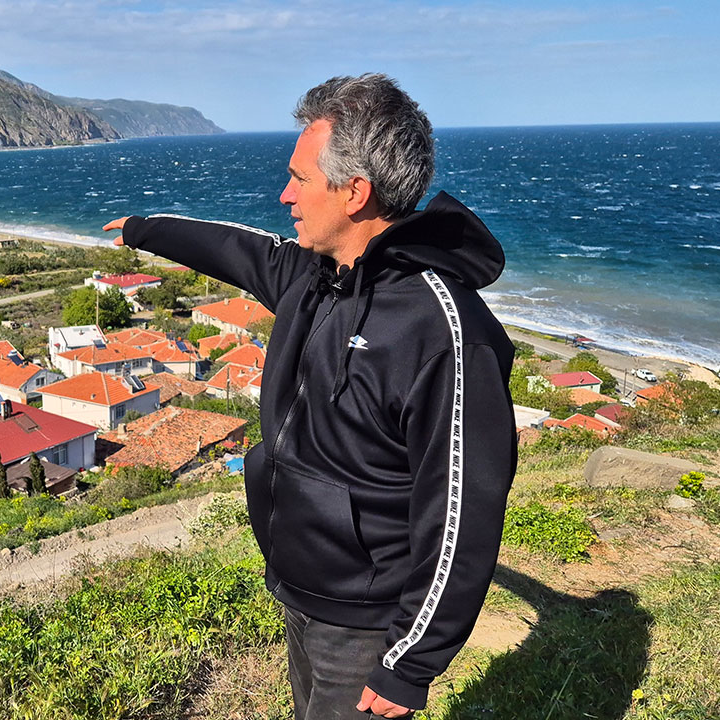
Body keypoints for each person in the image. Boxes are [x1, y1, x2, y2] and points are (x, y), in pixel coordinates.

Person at [104, 74, 517, 719]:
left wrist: (411, 661)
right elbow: (237, 249)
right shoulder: (317, 277)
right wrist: (144, 229)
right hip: (302, 588)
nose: (285, 195)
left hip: (368, 620)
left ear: (355, 192)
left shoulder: (443, 330)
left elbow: (464, 508)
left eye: (300, 179)